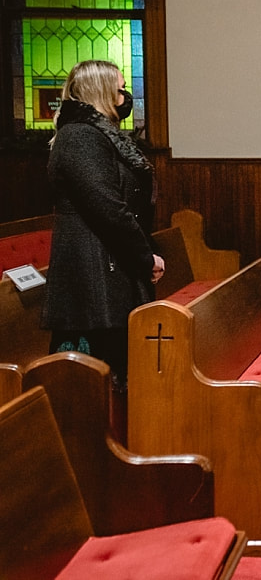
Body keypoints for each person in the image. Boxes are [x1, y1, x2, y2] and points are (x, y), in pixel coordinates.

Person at [41, 60, 165, 386]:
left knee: (114, 369)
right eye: (119, 88)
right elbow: (108, 208)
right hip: (92, 267)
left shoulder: (97, 135)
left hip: (106, 260)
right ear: (101, 91)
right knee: (92, 376)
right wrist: (143, 257)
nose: (125, 95)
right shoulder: (81, 137)